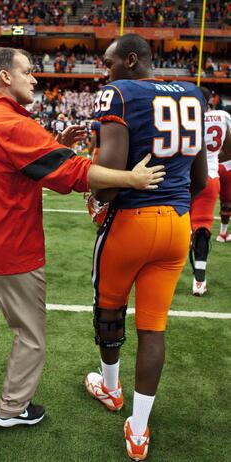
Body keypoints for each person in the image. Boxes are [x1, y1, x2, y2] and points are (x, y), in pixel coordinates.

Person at [0, 47, 165, 440]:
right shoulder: (11, 123)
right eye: (28, 71)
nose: (35, 78)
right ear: (5, 77)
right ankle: (13, 409)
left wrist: (53, 143)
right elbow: (72, 173)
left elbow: (15, 168)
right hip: (11, 251)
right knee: (30, 337)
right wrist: (131, 180)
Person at [84, 34, 207, 461]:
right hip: (177, 226)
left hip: (131, 222)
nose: (105, 69)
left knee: (110, 309)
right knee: (153, 327)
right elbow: (201, 182)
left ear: (130, 60)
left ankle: (111, 388)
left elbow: (112, 176)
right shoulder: (193, 92)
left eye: (108, 61)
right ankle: (138, 430)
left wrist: (96, 197)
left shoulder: (118, 93)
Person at [190, 87, 231, 295]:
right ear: (210, 101)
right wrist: (211, 160)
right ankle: (199, 281)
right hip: (210, 177)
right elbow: (229, 150)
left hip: (183, 178)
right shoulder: (222, 116)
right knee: (203, 228)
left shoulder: (183, 116)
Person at [217, 159, 231, 242]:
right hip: (227, 167)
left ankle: (190, 230)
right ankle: (222, 234)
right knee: (227, 202)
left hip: (212, 166)